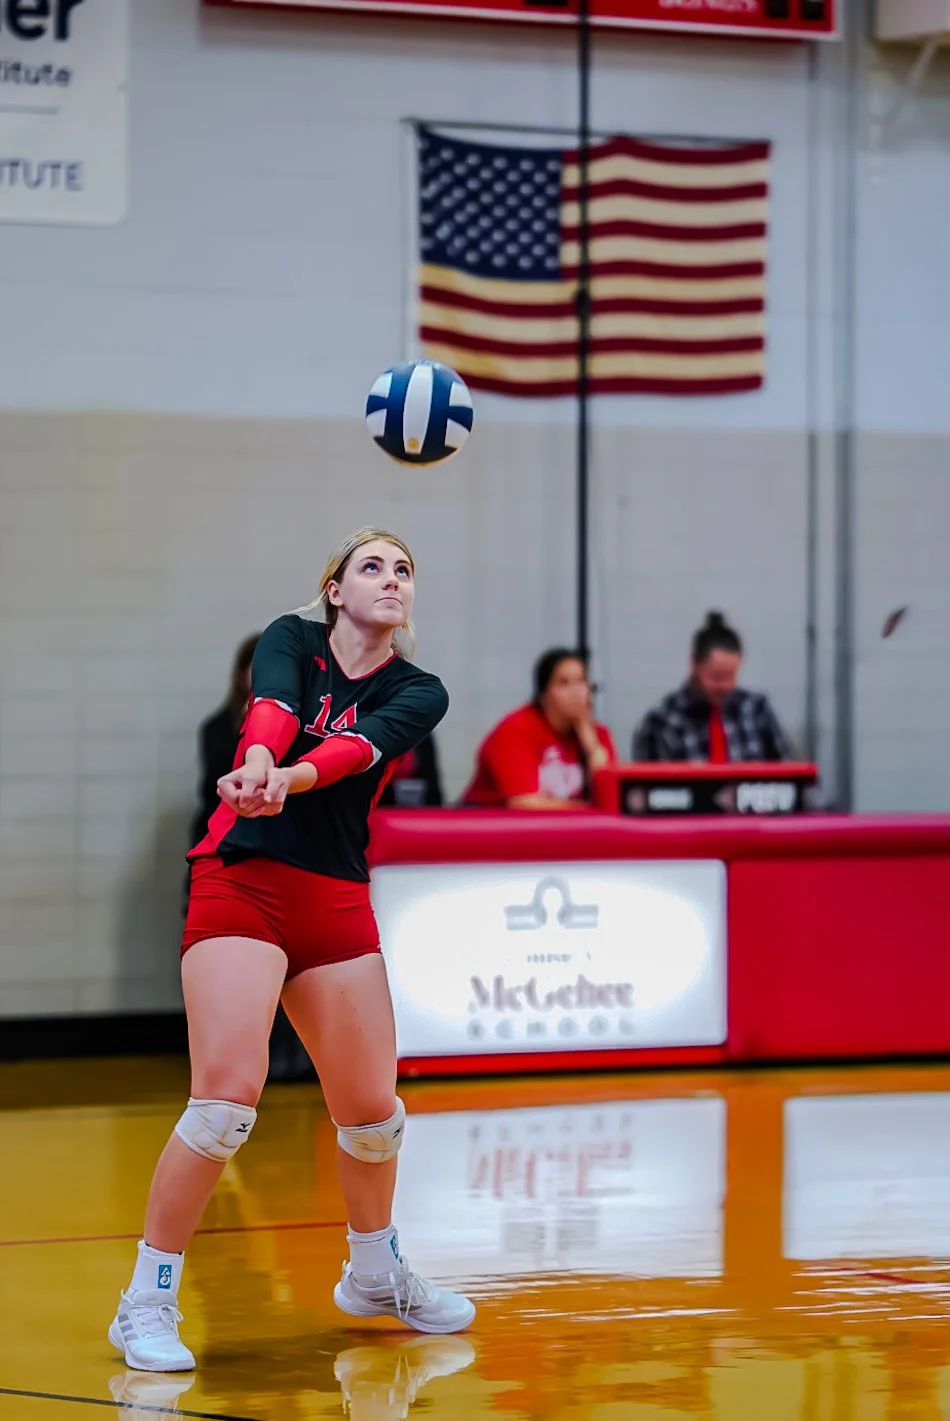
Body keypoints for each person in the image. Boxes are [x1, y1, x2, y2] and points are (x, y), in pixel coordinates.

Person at [108, 528, 475, 1374]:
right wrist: (262, 761)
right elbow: (270, 706)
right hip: (243, 881)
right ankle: (147, 1299)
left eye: (405, 569)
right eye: (373, 566)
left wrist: (291, 779)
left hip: (334, 896)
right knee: (224, 1105)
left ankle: (374, 1271)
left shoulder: (420, 689)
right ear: (336, 589)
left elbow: (356, 752)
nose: (392, 579)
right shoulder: (291, 637)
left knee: (375, 1117)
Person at [461, 648, 616, 810]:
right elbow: (524, 803)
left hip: (567, 828)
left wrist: (592, 749)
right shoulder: (516, 729)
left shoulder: (598, 734)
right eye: (564, 683)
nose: (576, 692)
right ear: (544, 693)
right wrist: (588, 812)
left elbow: (611, 799)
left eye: (581, 681)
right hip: (493, 825)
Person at [632, 610, 793, 762]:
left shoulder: (756, 711)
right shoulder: (662, 722)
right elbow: (641, 786)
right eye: (716, 677)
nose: (724, 686)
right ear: (694, 663)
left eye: (730, 677)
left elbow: (792, 771)